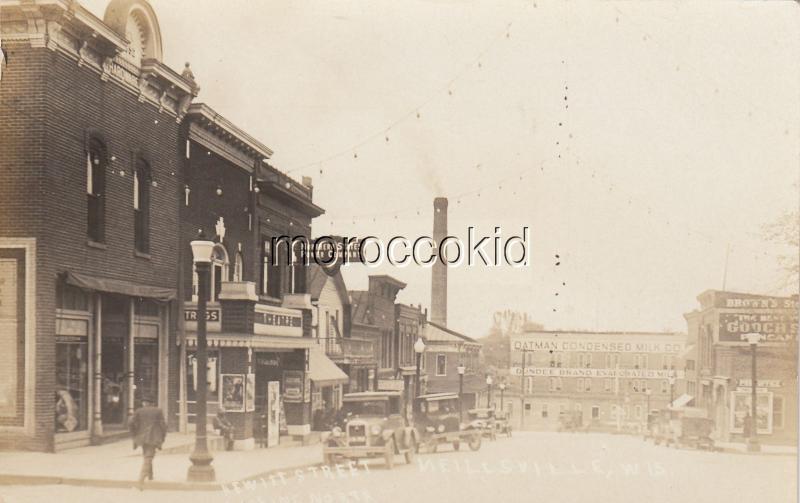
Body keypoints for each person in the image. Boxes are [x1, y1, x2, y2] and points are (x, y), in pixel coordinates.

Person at [128, 396, 167, 489]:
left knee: (146, 454)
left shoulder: (138, 411)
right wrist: (163, 437)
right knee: (148, 457)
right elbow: (163, 425)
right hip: (153, 437)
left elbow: (130, 423)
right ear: (152, 403)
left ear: (144, 403)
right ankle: (141, 481)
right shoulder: (158, 411)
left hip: (141, 437)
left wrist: (134, 435)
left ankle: (150, 475)